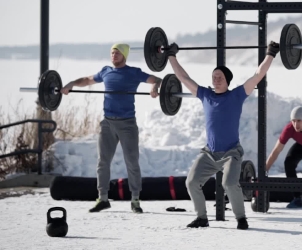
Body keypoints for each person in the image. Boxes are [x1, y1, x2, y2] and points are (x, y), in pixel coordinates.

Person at [165, 40, 280, 230]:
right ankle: (202, 217)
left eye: (219, 77)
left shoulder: (237, 95)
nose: (215, 80)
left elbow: (258, 75)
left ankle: (241, 218)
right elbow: (183, 78)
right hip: (209, 153)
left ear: (227, 80)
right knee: (191, 182)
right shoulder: (205, 95)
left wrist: (270, 54)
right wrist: (171, 56)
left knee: (229, 183)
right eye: (213, 77)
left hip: (231, 153)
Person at [61, 43, 162, 214]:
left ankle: (135, 199)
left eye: (117, 53)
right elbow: (87, 80)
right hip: (107, 123)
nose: (113, 56)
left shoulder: (134, 72)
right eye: (112, 53)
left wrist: (154, 87)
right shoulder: (106, 71)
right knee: (102, 162)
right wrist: (71, 83)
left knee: (132, 162)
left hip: (127, 124)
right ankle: (103, 198)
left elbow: (157, 79)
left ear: (124, 55)